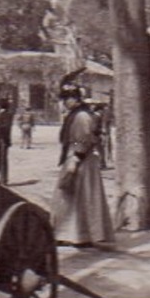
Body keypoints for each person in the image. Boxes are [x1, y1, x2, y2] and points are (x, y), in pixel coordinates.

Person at [52, 84, 114, 248]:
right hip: (74, 156)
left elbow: (85, 139)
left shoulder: (81, 116)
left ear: (75, 99)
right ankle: (69, 233)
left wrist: (76, 159)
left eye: (67, 99)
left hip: (81, 159)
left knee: (82, 196)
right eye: (64, 99)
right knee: (70, 196)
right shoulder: (75, 115)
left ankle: (83, 235)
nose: (65, 102)